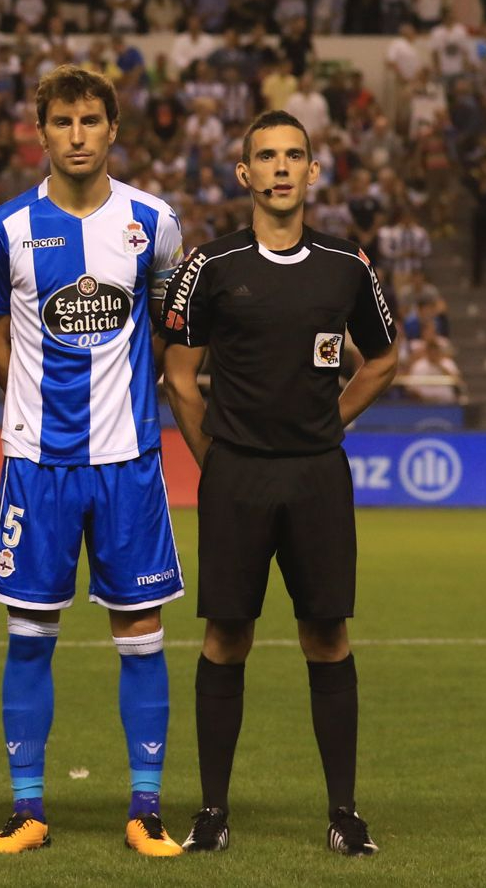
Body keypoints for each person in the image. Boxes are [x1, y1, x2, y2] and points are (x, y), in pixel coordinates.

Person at [161, 109, 398, 857]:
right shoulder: (210, 266)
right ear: (245, 173)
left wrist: (331, 419)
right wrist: (216, 458)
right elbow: (179, 376)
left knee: (327, 634)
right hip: (236, 474)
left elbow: (383, 359)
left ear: (313, 171)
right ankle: (212, 811)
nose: (282, 167)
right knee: (226, 634)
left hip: (317, 474)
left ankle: (345, 813)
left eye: (295, 155)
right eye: (267, 156)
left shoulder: (347, 265)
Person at [0, 65, 187, 858]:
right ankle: (27, 809)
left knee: (142, 632)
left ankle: (146, 809)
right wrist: (28, 397)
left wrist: (130, 390)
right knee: (30, 634)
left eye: (90, 120)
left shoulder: (153, 221)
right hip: (38, 463)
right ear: (41, 132)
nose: (77, 135)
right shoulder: (5, 229)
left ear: (112, 128)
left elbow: (166, 322)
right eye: (62, 121)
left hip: (128, 459)